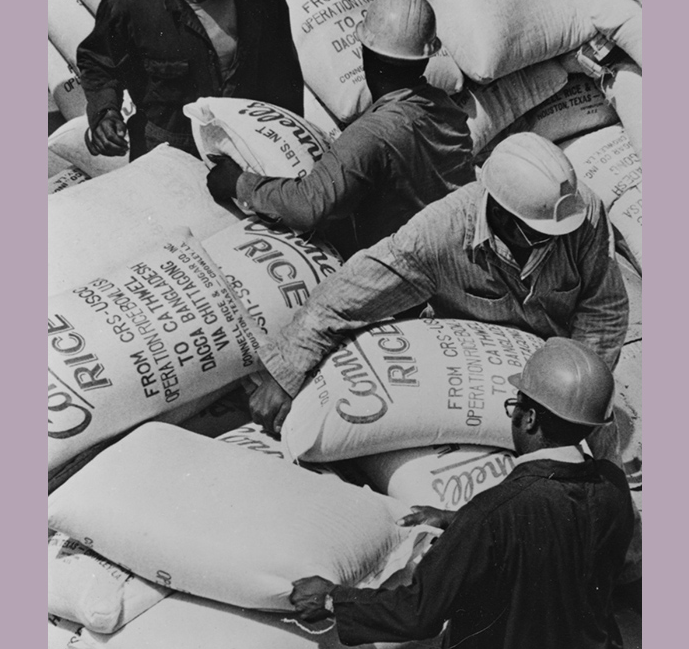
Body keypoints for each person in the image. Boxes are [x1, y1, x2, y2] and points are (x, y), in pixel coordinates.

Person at [249, 132, 628, 463]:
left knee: (599, 465)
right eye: (538, 233)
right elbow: (348, 295)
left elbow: (604, 307)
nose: (553, 239)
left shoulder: (582, 215)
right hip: (481, 372)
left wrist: (575, 394)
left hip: (560, 369)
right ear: (499, 211)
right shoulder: (437, 234)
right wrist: (286, 371)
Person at [289, 338, 635, 649]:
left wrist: (334, 599)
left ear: (529, 418)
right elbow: (553, 531)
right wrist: (457, 521)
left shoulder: (495, 512)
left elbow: (418, 613)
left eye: (516, 404)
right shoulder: (614, 491)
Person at [205, 0, 475, 259]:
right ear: (425, 59)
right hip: (453, 251)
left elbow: (309, 205)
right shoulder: (446, 110)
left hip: (405, 267)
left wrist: (238, 183)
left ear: (366, 55)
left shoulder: (370, 135)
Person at [77, 0, 303, 162]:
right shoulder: (132, 3)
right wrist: (105, 112)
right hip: (169, 153)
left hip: (245, 144)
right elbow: (97, 62)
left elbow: (284, 76)